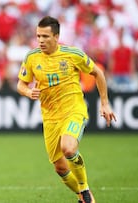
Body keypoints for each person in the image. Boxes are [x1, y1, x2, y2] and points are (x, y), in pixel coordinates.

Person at [17, 16, 116, 203]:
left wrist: (104, 103)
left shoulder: (73, 54)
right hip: (50, 118)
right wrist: (28, 92)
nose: (40, 40)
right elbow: (20, 84)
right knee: (60, 168)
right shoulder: (32, 57)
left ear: (56, 36)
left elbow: (98, 73)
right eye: (38, 36)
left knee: (68, 148)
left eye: (45, 36)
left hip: (74, 110)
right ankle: (84, 197)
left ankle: (84, 189)